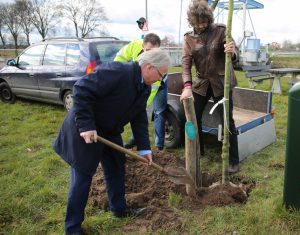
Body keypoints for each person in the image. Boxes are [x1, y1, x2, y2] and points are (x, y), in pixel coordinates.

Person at [53, 48, 171, 235]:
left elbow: (139, 116)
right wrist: (86, 126)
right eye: (161, 75)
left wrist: (144, 149)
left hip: (109, 129)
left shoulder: (144, 87)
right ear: (149, 67)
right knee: (82, 177)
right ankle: (72, 228)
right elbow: (81, 88)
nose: (160, 80)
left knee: (116, 167)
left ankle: (119, 209)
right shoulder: (118, 72)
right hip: (85, 127)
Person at [179, 1, 240, 173]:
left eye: (204, 22)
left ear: (209, 19)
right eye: (198, 23)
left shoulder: (221, 30)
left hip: (221, 82)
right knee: (192, 117)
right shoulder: (188, 38)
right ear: (192, 22)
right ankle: (199, 151)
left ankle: (233, 160)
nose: (202, 25)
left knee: (227, 121)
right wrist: (187, 86)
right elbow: (185, 64)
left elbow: (236, 54)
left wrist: (232, 52)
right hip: (202, 84)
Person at [114, 32, 167, 151]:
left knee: (158, 111)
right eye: (148, 50)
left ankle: (158, 146)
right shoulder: (134, 45)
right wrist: (118, 73)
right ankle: (135, 139)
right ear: (143, 46)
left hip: (158, 83)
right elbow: (120, 57)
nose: (150, 55)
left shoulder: (159, 64)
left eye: (154, 52)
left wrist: (139, 105)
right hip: (140, 79)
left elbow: (152, 89)